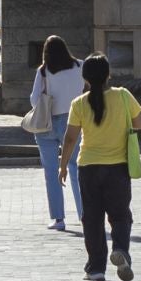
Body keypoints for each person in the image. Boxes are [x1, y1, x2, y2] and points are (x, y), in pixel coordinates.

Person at [58, 53, 141, 281]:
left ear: (85, 78)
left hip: (88, 167)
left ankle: (96, 268)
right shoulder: (123, 95)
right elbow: (139, 123)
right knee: (120, 214)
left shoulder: (79, 103)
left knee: (92, 218)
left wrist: (63, 166)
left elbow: (70, 138)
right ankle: (121, 250)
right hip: (118, 167)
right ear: (108, 75)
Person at [28, 35, 86, 230]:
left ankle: (58, 219)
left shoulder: (44, 71)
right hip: (73, 120)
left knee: (51, 171)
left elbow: (34, 100)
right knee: (75, 167)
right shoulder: (80, 66)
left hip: (48, 123)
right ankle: (84, 215)